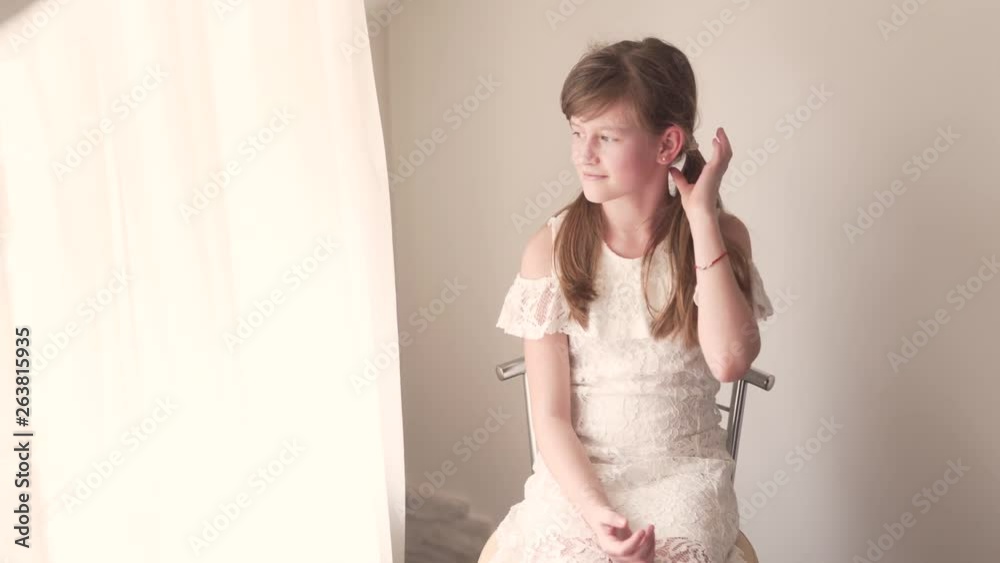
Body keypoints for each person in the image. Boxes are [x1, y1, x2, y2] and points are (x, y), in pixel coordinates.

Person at [486, 37, 775, 563]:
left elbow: (731, 361)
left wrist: (703, 219)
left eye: (606, 137)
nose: (583, 154)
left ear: (667, 145)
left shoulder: (719, 234)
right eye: (577, 132)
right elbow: (550, 418)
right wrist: (596, 513)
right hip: (578, 475)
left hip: (682, 474)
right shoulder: (549, 249)